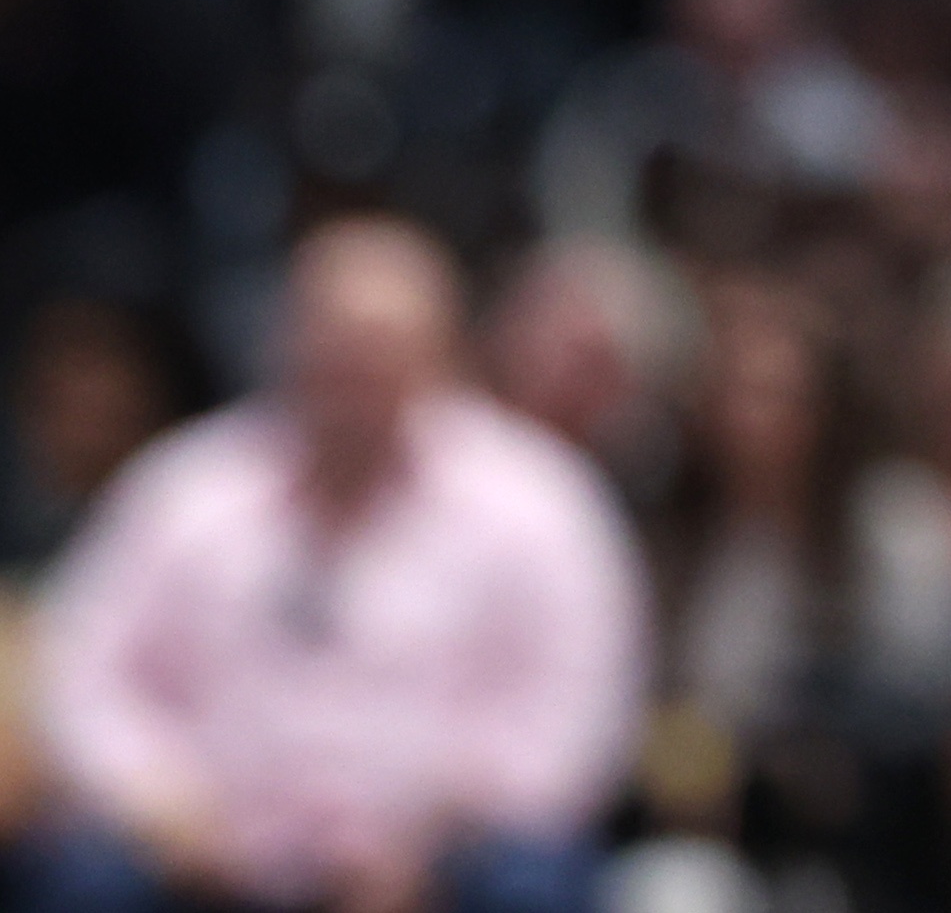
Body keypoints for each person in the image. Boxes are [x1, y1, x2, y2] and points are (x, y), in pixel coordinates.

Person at [26, 216, 646, 913]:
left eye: (381, 350)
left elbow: (576, 711)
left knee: (530, 880)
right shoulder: (187, 489)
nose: (355, 373)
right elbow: (82, 674)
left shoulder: (538, 502)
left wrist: (438, 839)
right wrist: (162, 805)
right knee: (82, 878)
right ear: (284, 341)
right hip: (204, 857)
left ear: (444, 353)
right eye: (335, 344)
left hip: (451, 858)